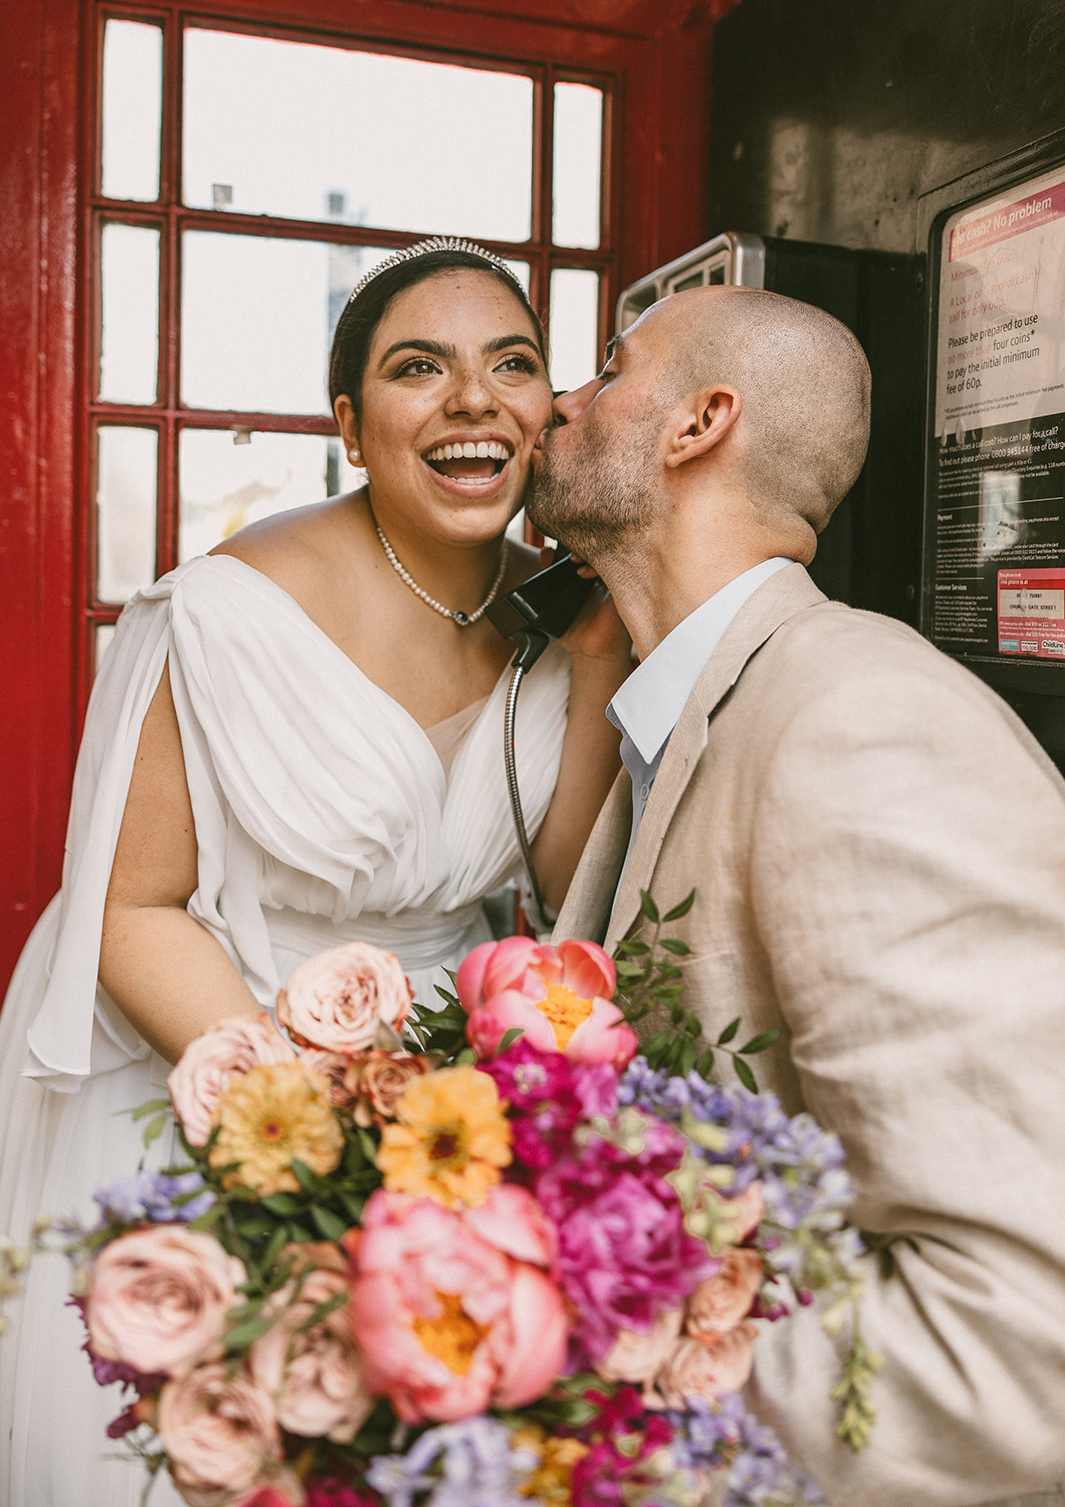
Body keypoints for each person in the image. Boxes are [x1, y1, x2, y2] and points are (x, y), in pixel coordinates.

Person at [0, 236, 630, 1506]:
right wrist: (319, 1133)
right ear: (350, 422)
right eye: (418, 368)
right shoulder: (223, 613)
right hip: (216, 1061)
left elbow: (564, 883)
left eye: (511, 365)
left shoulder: (555, 613)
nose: (473, 399)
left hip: (446, 1094)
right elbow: (128, 912)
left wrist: (605, 650)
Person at [531, 284, 1065, 1507]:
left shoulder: (862, 721)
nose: (560, 399)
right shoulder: (675, 716)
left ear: (697, 424)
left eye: (609, 370)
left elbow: (1024, 1340)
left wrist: (592, 1411)